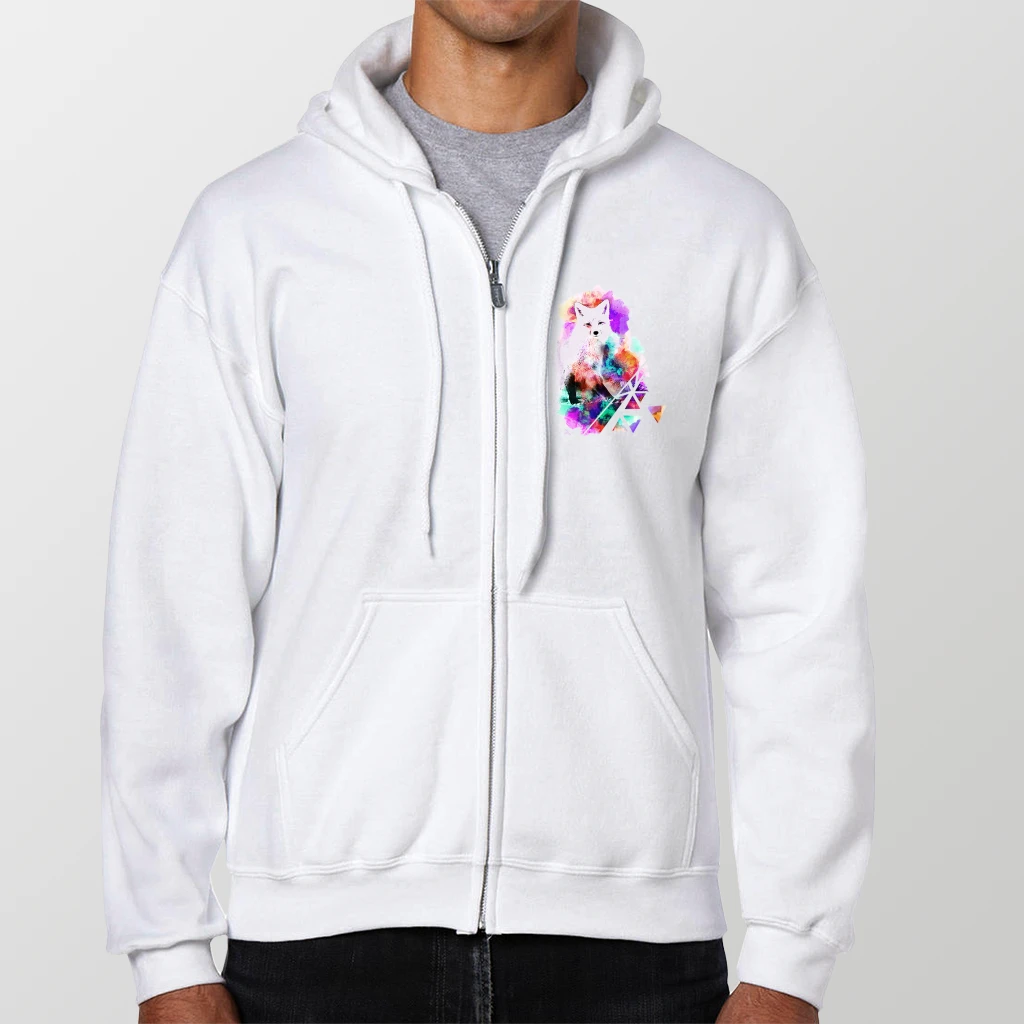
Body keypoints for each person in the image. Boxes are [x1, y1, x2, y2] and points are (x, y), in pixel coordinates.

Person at [101, 2, 874, 1021]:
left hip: (634, 952)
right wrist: (166, 947)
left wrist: (789, 957)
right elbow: (174, 598)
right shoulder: (254, 232)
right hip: (317, 947)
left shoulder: (725, 234)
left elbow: (796, 609)